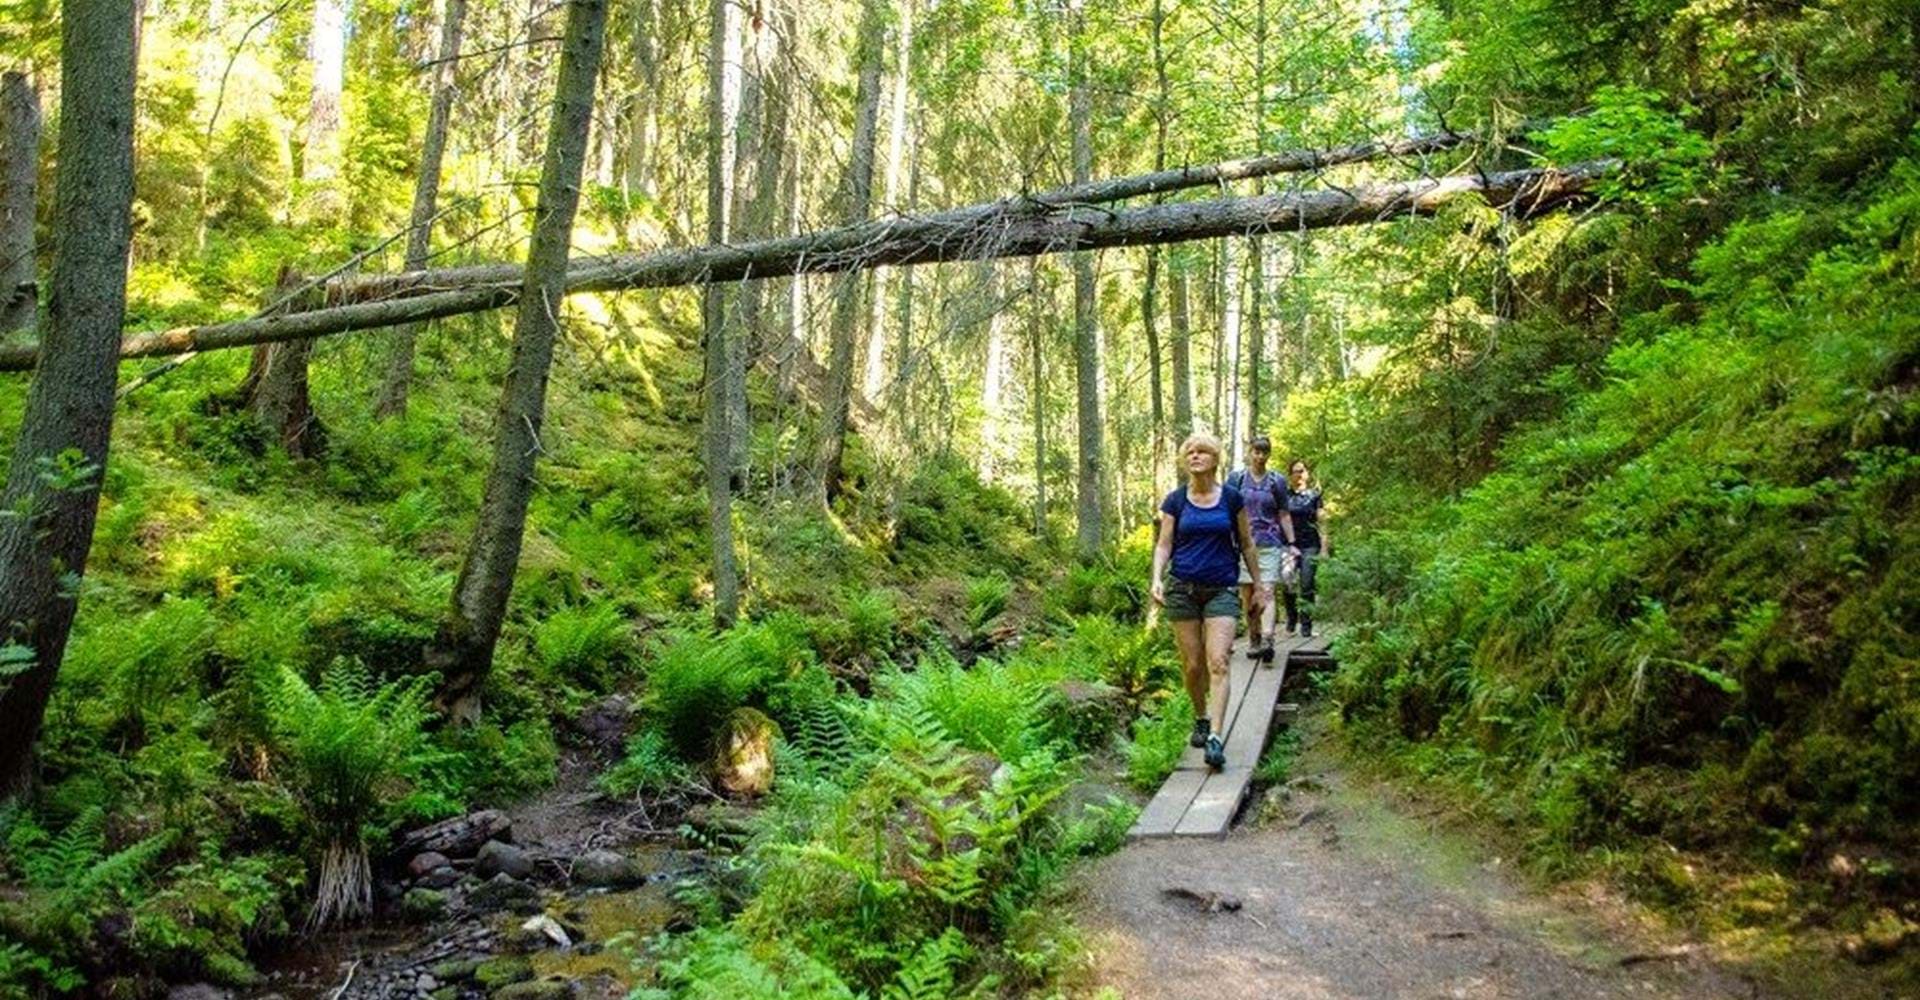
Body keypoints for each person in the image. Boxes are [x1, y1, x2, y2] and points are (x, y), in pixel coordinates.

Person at [1151, 433, 1264, 771]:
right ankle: (1200, 715)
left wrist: (1258, 586)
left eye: (1202, 452)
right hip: (1182, 590)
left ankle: (1215, 736)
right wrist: (1157, 577)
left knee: (1219, 662)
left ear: (1215, 459)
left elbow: (1247, 543)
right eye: (1190, 452)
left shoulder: (1231, 499)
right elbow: (1163, 545)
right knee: (1193, 665)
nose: (1195, 456)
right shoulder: (1175, 501)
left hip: (1222, 589)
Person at [1226, 435, 1296, 664]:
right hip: (1243, 547)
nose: (1260, 456)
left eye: (1264, 452)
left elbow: (1284, 513)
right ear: (1250, 452)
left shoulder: (1277, 481)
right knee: (1248, 596)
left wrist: (1292, 542)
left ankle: (1268, 639)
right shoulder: (1236, 479)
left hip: (1270, 543)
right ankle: (1254, 637)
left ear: (1269, 454)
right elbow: (1227, 511)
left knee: (1267, 590)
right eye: (1256, 451)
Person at [1283, 458, 1328, 638]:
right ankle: (1292, 619)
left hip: (1310, 544)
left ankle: (1306, 625)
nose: (1299, 474)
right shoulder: (1284, 495)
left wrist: (1324, 548)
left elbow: (1323, 522)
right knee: (1288, 582)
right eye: (1295, 471)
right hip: (1288, 545)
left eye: (1302, 471)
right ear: (1290, 475)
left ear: (1308, 474)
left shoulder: (1315, 496)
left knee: (1307, 583)